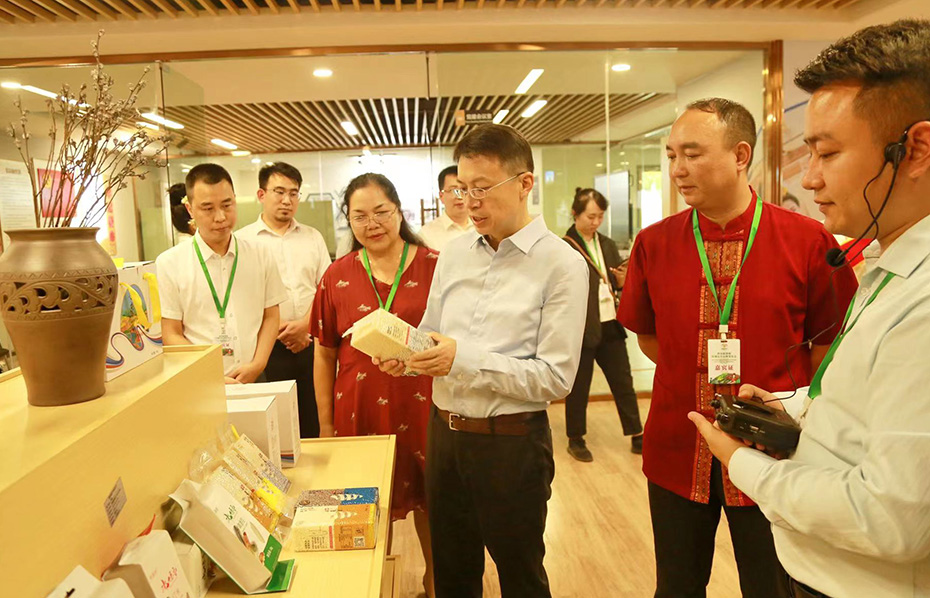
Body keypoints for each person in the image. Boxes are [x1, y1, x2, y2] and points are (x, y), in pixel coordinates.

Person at [691, 19, 930, 598]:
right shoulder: (887, 264)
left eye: (828, 153)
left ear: (915, 150)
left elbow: (891, 519)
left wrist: (742, 464)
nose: (811, 177)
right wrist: (792, 404)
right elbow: (862, 403)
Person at [618, 98, 858, 598]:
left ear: (740, 155)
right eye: (672, 155)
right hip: (678, 446)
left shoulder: (807, 240)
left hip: (774, 452)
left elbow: (830, 347)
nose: (677, 169)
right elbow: (649, 337)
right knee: (677, 587)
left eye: (692, 154)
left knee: (773, 587)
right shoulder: (653, 243)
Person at [376, 124, 588, 598]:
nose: (469, 202)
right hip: (445, 437)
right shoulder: (454, 254)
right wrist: (406, 355)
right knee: (452, 575)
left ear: (525, 183)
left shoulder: (562, 264)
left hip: (511, 444)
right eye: (461, 189)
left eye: (482, 188)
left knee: (521, 577)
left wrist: (460, 358)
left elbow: (555, 379)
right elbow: (432, 331)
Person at [309, 173, 438, 597]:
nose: (372, 224)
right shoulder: (336, 275)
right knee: (366, 508)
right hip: (358, 408)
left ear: (399, 211)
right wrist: (326, 426)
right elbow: (324, 354)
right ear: (348, 221)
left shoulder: (436, 266)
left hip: (426, 407)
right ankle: (372, 588)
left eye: (381, 212)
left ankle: (436, 583)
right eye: (359, 216)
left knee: (435, 505)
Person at [156, 164, 287, 384]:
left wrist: (258, 364)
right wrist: (209, 373)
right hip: (199, 381)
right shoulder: (170, 263)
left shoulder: (261, 254)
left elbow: (271, 315)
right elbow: (171, 333)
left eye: (227, 205)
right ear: (190, 209)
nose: (220, 217)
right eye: (208, 208)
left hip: (254, 376)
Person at [238, 162, 331, 438]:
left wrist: (305, 325)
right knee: (275, 427)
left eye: (293, 193)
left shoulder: (313, 237)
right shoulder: (242, 241)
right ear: (261, 194)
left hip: (310, 342)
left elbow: (326, 289)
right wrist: (276, 328)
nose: (287, 200)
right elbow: (241, 298)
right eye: (279, 192)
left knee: (313, 419)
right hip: (265, 348)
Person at [562, 187, 644, 460]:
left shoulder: (607, 244)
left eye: (600, 216)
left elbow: (617, 284)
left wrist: (621, 281)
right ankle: (576, 438)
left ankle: (636, 433)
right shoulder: (564, 247)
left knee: (623, 381)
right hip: (581, 327)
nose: (595, 222)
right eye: (591, 216)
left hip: (610, 323)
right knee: (579, 386)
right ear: (575, 213)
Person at [418, 165, 474, 251]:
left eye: (464, 189)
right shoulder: (426, 235)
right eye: (453, 190)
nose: (459, 196)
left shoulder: (483, 228)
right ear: (441, 196)